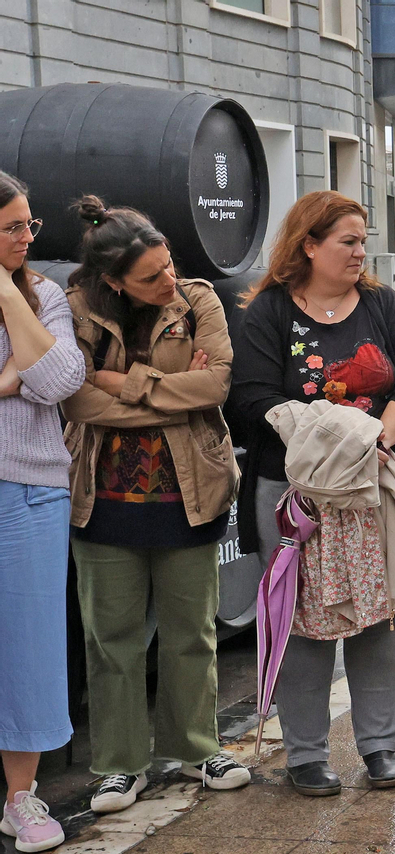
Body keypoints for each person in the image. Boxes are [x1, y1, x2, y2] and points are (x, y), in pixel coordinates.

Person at [229, 191, 395, 796]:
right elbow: (253, 399)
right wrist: (333, 443)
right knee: (301, 623)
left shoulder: (381, 304)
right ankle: (307, 755)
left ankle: (378, 747)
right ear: (308, 245)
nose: (360, 251)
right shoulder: (268, 312)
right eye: (348, 240)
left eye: (362, 240)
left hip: (375, 489)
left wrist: (375, 440)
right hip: (295, 496)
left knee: (381, 617)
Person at [60, 197, 251, 813]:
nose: (168, 280)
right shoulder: (77, 309)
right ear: (113, 281)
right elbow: (77, 401)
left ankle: (197, 748)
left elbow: (216, 384)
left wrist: (127, 382)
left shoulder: (197, 300)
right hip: (102, 496)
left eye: (169, 265)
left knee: (191, 632)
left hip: (190, 491)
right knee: (110, 637)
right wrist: (171, 392)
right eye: (151, 277)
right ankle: (120, 764)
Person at [0, 171, 83, 854]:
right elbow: (37, 374)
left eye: (30, 226)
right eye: (14, 228)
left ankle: (21, 801)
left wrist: (4, 290)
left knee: (29, 648)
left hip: (30, 490)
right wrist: (13, 376)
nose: (29, 237)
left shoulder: (43, 294)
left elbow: (58, 380)